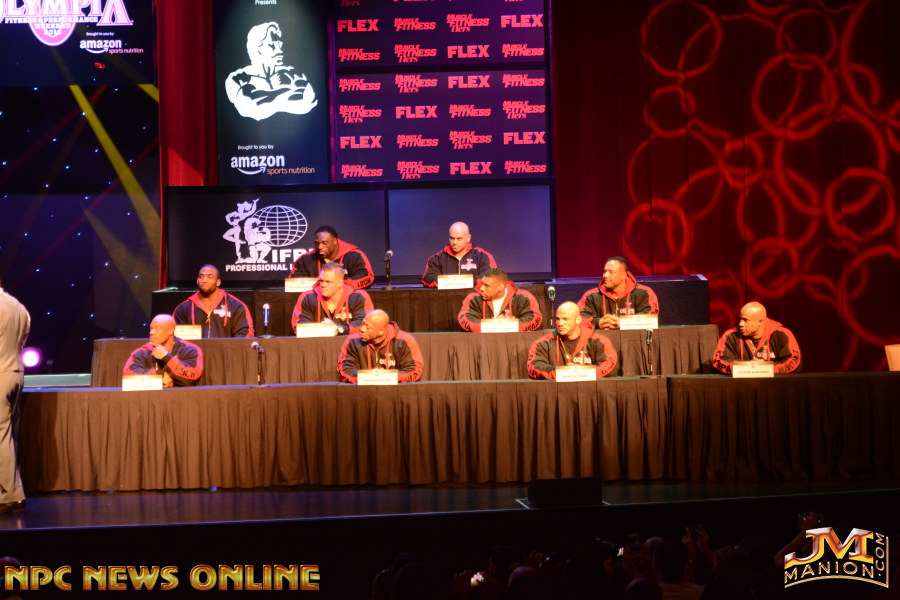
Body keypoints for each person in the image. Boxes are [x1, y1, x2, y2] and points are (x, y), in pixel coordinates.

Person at [224, 22, 317, 121]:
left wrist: (268, 99)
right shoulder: (237, 79)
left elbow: (309, 103)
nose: (280, 50)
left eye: (279, 44)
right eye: (272, 45)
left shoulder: (294, 74)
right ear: (257, 48)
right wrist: (287, 94)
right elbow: (247, 110)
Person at [527, 302, 617, 379]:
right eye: (557, 319)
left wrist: (582, 372)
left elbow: (609, 364)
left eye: (565, 319)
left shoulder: (599, 341)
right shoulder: (542, 343)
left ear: (578, 320)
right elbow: (534, 367)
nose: (560, 323)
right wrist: (563, 372)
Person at [0, 283, 29, 514]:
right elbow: (22, 342)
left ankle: (7, 495)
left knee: (1, 435)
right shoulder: (19, 306)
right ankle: (15, 492)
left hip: (1, 372)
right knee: (7, 434)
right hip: (16, 373)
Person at [712, 301, 802, 374]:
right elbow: (719, 361)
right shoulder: (730, 336)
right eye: (740, 319)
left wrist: (764, 369)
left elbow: (793, 362)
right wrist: (747, 368)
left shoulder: (782, 334)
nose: (741, 324)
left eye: (746, 320)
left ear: (760, 322)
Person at [337, 310, 424, 383]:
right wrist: (367, 378)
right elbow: (345, 368)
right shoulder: (353, 340)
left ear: (381, 331)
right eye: (363, 324)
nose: (361, 329)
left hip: (395, 392)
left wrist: (387, 377)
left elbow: (415, 370)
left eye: (367, 327)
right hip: (362, 391)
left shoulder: (404, 340)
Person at [290, 262, 374, 334]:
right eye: (321, 281)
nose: (323, 285)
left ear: (340, 283)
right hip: (316, 344)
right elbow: (299, 325)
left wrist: (339, 329)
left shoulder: (359, 296)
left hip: (350, 345)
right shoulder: (307, 297)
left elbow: (365, 323)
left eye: (328, 282)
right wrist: (323, 330)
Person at [577, 256, 659, 330]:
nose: (605, 275)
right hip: (602, 340)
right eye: (605, 271)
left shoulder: (644, 293)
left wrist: (623, 323)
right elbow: (578, 318)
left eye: (611, 272)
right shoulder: (590, 296)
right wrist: (598, 322)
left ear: (623, 275)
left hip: (634, 340)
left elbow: (651, 319)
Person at [173, 265, 254, 338]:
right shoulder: (184, 308)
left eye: (210, 277)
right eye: (201, 276)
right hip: (195, 350)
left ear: (218, 282)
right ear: (197, 280)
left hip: (227, 350)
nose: (204, 280)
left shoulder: (235, 306)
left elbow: (245, 334)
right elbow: (174, 336)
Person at [123, 314, 204, 387]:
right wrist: (159, 376)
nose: (152, 332)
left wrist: (167, 357)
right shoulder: (142, 352)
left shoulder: (190, 350)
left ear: (170, 331)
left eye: (157, 329)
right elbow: (128, 374)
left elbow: (192, 376)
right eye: (151, 329)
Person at [457, 268, 542, 332]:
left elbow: (534, 318)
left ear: (500, 287)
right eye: (482, 284)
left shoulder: (524, 297)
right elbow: (464, 318)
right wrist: (492, 325)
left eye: (487, 285)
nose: (481, 288)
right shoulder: (473, 298)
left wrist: (509, 325)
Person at [290, 226, 374, 289]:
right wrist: (319, 287)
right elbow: (293, 283)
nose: (320, 247)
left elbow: (367, 278)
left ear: (335, 241)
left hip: (348, 301)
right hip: (314, 302)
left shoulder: (354, 255)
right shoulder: (305, 259)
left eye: (324, 243)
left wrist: (338, 285)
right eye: (317, 243)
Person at [421, 222, 497, 288]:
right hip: (446, 299)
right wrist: (456, 282)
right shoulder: (437, 258)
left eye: (459, 238)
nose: (454, 242)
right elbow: (427, 279)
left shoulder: (482, 256)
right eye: (452, 238)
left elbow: (491, 278)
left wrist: (462, 282)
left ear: (468, 238)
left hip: (474, 300)